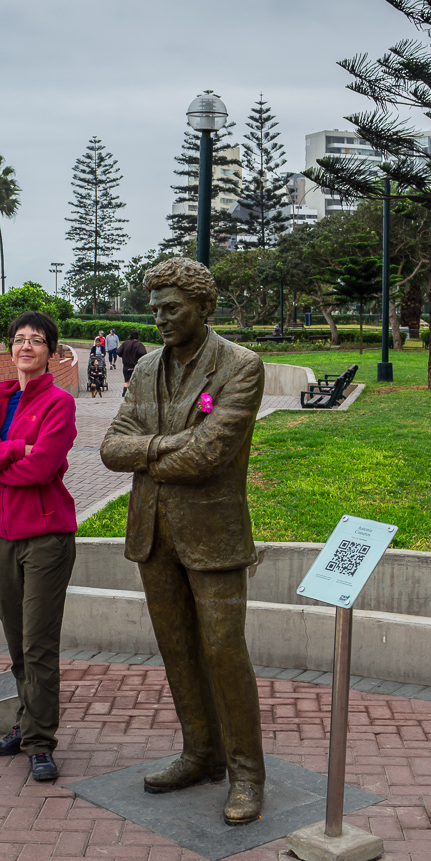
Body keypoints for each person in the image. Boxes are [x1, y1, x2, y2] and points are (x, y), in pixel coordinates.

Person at [100, 258, 266, 825]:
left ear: (203, 307)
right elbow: (111, 447)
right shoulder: (145, 368)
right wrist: (160, 448)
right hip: (153, 533)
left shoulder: (240, 366)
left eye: (172, 309)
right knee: (176, 651)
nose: (161, 319)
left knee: (223, 652)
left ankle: (247, 773)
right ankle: (200, 753)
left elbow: (210, 455)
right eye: (155, 309)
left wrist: (148, 452)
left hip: (213, 536)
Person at [0, 311, 77, 783]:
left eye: (37, 340)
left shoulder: (59, 403)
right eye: (19, 340)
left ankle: (41, 742)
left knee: (39, 643)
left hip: (46, 538)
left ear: (51, 351)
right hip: (1, 537)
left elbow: (41, 469)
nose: (26, 347)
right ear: (10, 349)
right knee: (15, 641)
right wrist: (13, 449)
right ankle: (26, 724)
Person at [116, 330, 147, 397]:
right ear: (137, 336)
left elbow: (118, 352)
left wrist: (123, 355)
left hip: (126, 366)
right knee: (137, 382)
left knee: (127, 381)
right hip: (136, 366)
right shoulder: (139, 344)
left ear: (130, 336)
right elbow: (143, 353)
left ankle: (124, 394)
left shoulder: (125, 343)